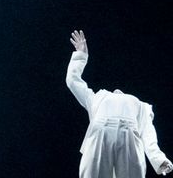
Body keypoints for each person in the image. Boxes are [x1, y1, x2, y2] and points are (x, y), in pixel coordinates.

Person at [66, 29, 173, 177]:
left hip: (127, 134)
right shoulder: (97, 97)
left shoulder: (140, 105)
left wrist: (159, 159)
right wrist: (81, 55)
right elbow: (73, 81)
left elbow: (148, 134)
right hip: (102, 133)